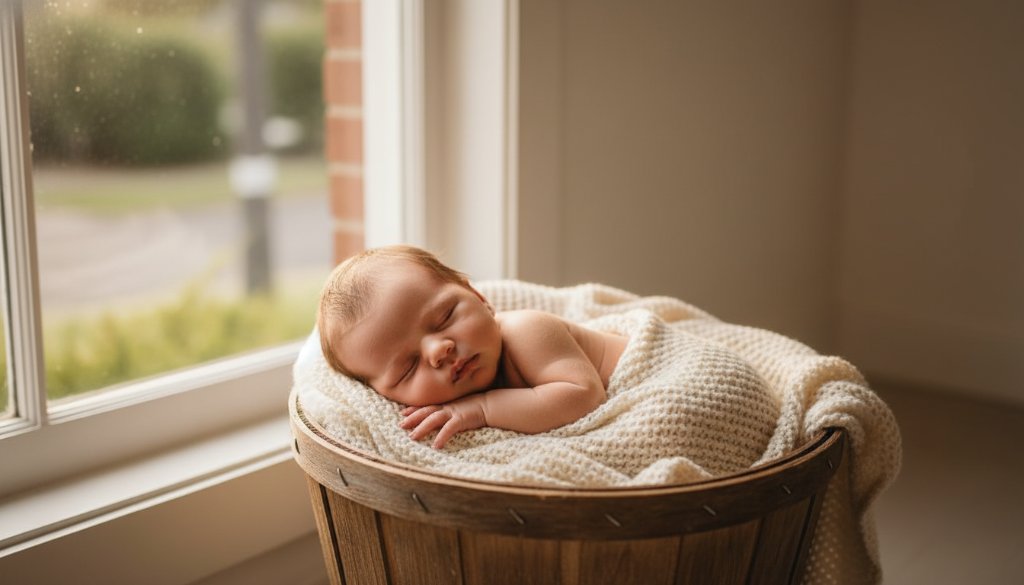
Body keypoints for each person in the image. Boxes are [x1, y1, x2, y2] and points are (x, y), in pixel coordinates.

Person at [317, 245, 628, 449]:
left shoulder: (526, 331)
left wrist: (481, 410)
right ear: (386, 395)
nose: (439, 350)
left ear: (479, 298)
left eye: (444, 317)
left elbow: (585, 395)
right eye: (408, 368)